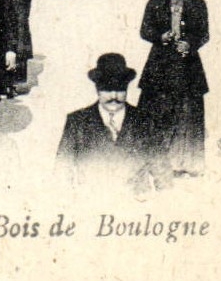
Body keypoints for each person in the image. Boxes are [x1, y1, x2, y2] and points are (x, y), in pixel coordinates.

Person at [137, 0, 209, 177]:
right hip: (159, 67)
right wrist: (161, 36)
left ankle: (185, 164)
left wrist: (190, 44)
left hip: (188, 69)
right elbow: (145, 30)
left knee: (187, 116)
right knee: (156, 113)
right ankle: (152, 162)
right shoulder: (155, 3)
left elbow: (204, 34)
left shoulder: (198, 5)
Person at [55, 53, 159, 185]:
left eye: (120, 90)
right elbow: (61, 172)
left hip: (136, 202)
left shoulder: (145, 121)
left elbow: (162, 172)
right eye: (107, 90)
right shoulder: (77, 122)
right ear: (97, 90)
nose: (114, 96)